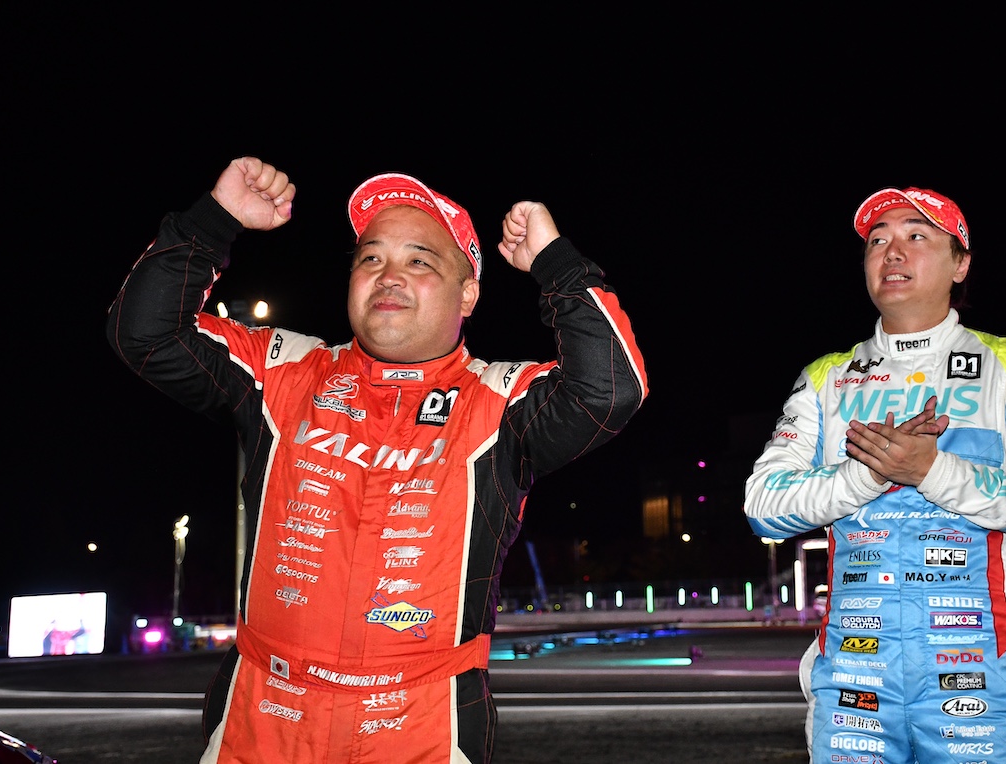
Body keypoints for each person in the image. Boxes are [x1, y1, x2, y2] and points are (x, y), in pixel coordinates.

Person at [106, 157, 649, 763]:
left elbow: (611, 390)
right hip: (260, 720)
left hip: (422, 727)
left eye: (420, 261)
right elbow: (144, 334)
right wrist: (213, 221)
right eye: (370, 258)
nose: (388, 276)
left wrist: (556, 265)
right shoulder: (283, 369)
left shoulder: (500, 401)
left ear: (468, 293)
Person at [743, 187, 1006, 764]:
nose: (892, 252)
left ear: (961, 264)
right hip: (850, 687)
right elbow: (762, 506)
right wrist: (869, 476)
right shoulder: (825, 377)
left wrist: (933, 470)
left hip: (982, 685)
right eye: (878, 242)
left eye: (916, 236)